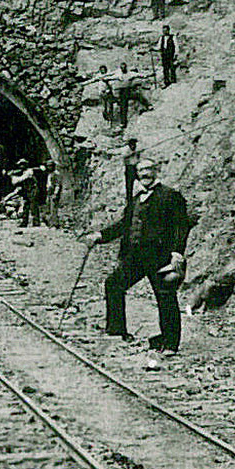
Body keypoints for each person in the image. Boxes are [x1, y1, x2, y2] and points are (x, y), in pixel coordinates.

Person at [88, 156, 191, 368]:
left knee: (166, 297)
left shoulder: (171, 196)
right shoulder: (136, 199)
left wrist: (177, 254)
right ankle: (117, 330)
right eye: (141, 171)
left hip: (160, 256)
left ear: (156, 171)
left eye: (149, 170)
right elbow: (123, 226)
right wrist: (100, 235)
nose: (145, 174)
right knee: (114, 284)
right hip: (135, 257)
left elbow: (182, 227)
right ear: (137, 174)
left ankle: (170, 343)